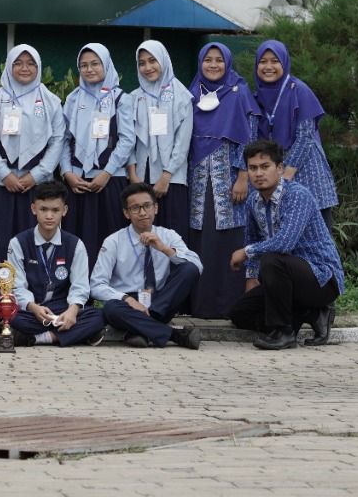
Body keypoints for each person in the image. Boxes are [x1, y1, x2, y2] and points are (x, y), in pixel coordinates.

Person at [227, 141, 345, 350]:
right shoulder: (253, 201)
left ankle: (284, 332)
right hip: (283, 278)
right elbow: (252, 239)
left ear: (280, 168)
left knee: (272, 260)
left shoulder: (297, 195)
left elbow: (284, 243)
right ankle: (312, 314)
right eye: (253, 168)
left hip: (322, 279)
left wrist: (245, 253)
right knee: (240, 313)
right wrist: (251, 277)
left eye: (265, 166)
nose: (258, 173)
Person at [186, 42, 259, 318]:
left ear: (227, 63)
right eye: (208, 60)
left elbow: (250, 136)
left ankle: (230, 306)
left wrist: (243, 176)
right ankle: (201, 306)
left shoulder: (239, 92)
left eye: (219, 60)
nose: (213, 65)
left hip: (229, 180)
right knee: (201, 240)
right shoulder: (193, 93)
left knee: (229, 239)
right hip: (198, 181)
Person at [0, 44, 65, 258]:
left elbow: (58, 140)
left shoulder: (51, 101)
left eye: (30, 64)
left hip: (36, 185)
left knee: (33, 245)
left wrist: (36, 175)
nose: (24, 68)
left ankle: (34, 279)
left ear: (38, 67)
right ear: (9, 66)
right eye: (18, 63)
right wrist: (4, 174)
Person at [92, 182, 203, 349]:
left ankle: (142, 327)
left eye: (147, 206)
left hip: (160, 302)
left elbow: (197, 267)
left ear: (155, 208)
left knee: (189, 268)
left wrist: (164, 248)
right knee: (108, 307)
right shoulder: (114, 241)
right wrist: (127, 299)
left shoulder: (168, 235)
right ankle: (175, 335)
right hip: (127, 303)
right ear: (126, 213)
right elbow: (96, 285)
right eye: (135, 208)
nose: (143, 212)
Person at [3, 180, 105, 347]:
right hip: (32, 310)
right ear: (34, 209)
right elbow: (17, 286)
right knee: (8, 313)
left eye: (55, 210)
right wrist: (32, 307)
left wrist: (72, 311)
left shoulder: (75, 244)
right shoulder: (18, 243)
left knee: (98, 316)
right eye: (43, 209)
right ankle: (79, 334)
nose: (49, 216)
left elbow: (80, 286)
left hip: (62, 308)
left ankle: (40, 338)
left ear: (64, 211)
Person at [61, 43, 135, 264]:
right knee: (78, 242)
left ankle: (109, 285)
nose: (89, 69)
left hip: (110, 181)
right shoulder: (73, 99)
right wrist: (67, 173)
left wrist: (106, 172)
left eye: (95, 64)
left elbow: (127, 140)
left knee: (110, 241)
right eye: (83, 65)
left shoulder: (121, 98)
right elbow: (64, 140)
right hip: (78, 182)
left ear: (106, 65)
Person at [253, 40, 339, 227]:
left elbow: (306, 137)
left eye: (275, 61)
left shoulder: (299, 90)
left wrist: (286, 175)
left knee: (316, 236)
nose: (268, 67)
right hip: (276, 176)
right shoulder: (257, 97)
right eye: (263, 62)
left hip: (306, 174)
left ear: (284, 63)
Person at [127, 40, 193, 238]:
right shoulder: (134, 97)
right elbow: (128, 139)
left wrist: (166, 176)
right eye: (142, 63)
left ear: (163, 60)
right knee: (142, 235)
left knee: (172, 236)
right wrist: (133, 175)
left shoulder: (182, 96)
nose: (147, 67)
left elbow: (183, 142)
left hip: (172, 178)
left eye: (152, 60)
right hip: (142, 176)